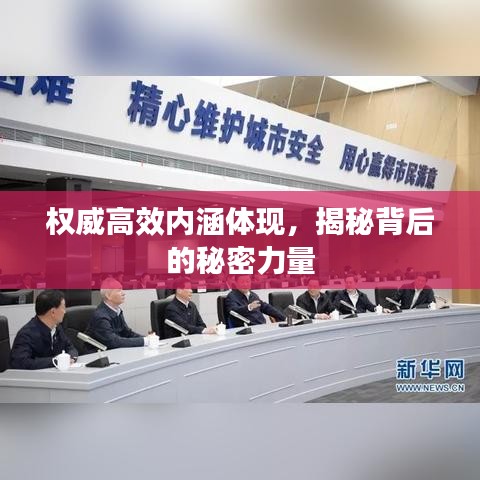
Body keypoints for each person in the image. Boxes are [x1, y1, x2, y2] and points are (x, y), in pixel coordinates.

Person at [9, 290, 78, 370]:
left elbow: (70, 348)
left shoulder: (57, 327)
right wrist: (55, 361)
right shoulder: (26, 334)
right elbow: (20, 362)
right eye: (63, 308)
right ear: (53, 312)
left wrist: (71, 358)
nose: (65, 312)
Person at [85, 279, 149, 349]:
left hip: (113, 350)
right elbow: (113, 341)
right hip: (97, 353)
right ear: (108, 296)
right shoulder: (100, 316)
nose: (123, 293)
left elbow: (127, 333)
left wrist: (147, 339)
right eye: (119, 290)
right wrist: (144, 341)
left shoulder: (118, 311)